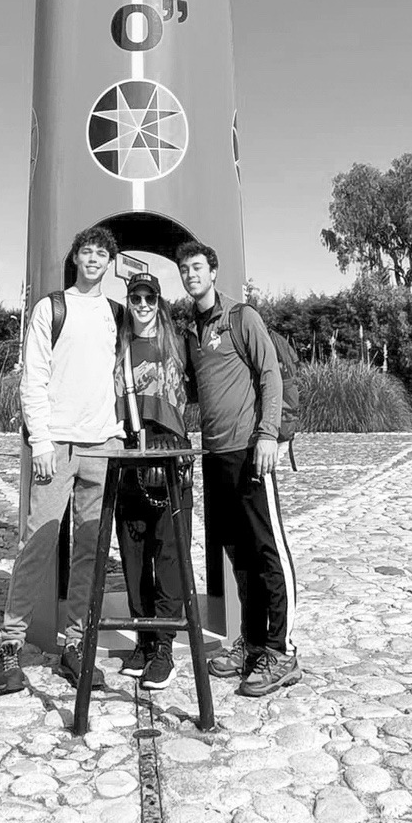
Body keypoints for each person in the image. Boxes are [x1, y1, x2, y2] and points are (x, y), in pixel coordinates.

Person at [0, 225, 123, 696]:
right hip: (58, 447)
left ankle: (76, 644)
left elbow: (127, 373)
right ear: (76, 258)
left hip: (103, 446)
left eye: (102, 254)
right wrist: (41, 441)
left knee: (90, 551)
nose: (94, 260)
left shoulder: (115, 313)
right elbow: (35, 377)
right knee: (37, 543)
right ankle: (10, 645)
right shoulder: (51, 307)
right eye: (87, 252)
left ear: (111, 263)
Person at [177, 239, 299, 697]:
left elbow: (270, 374)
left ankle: (281, 650)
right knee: (238, 554)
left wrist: (268, 434)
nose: (190, 275)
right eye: (184, 269)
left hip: (251, 450)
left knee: (268, 551)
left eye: (197, 268)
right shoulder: (194, 330)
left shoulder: (241, 318)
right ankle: (250, 644)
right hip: (216, 456)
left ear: (213, 272)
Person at [113, 272, 192, 692]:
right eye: (135, 297)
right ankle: (143, 639)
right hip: (130, 453)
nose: (142, 304)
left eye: (149, 298)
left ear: (159, 302)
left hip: (171, 455)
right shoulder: (119, 347)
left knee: (169, 554)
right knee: (132, 552)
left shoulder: (179, 344)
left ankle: (164, 645)